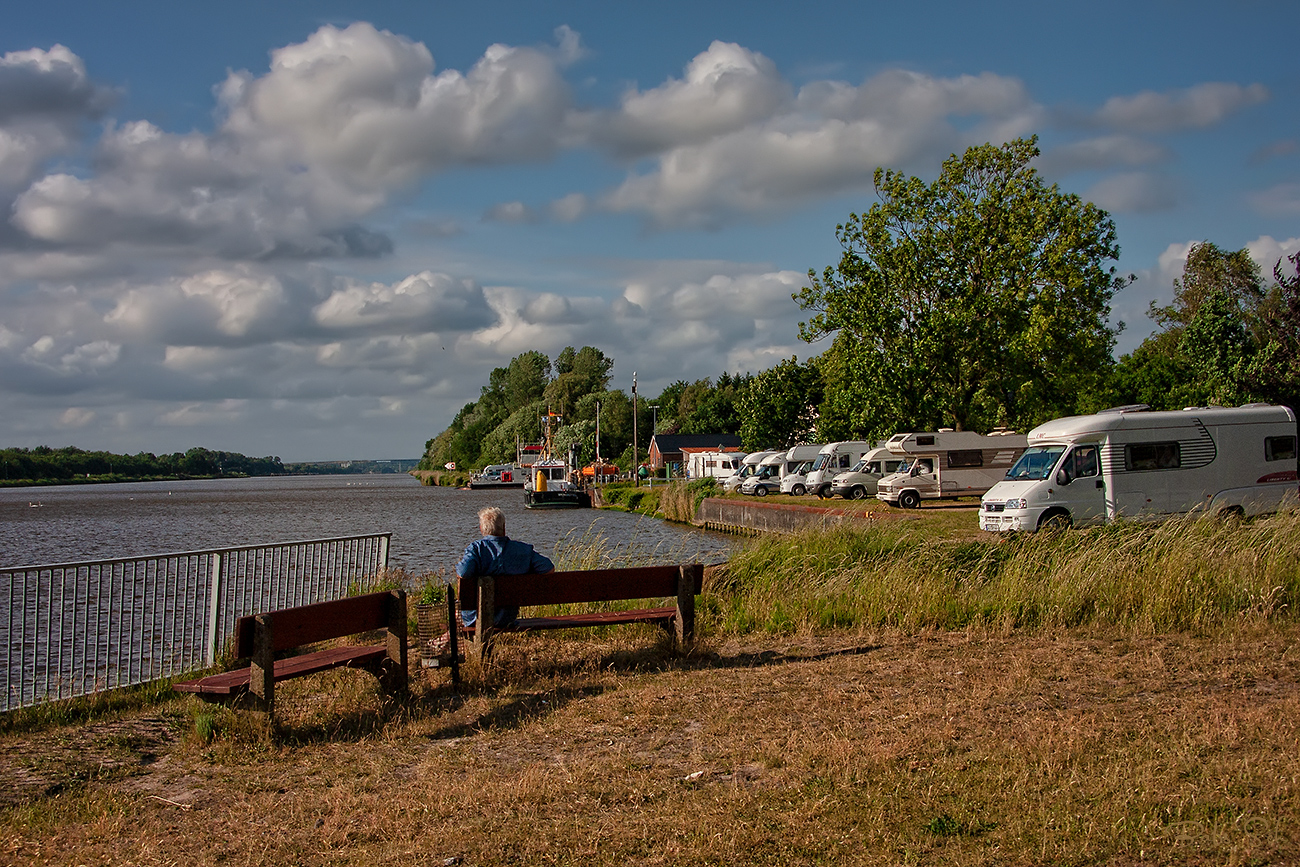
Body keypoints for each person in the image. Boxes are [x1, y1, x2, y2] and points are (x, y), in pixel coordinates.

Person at [455, 505, 554, 631]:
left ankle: (439, 643)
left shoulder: (477, 549)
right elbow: (549, 568)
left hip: (476, 619)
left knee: (456, 614)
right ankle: (441, 642)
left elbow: (463, 573)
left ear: (481, 529)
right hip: (506, 618)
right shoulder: (522, 550)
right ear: (504, 528)